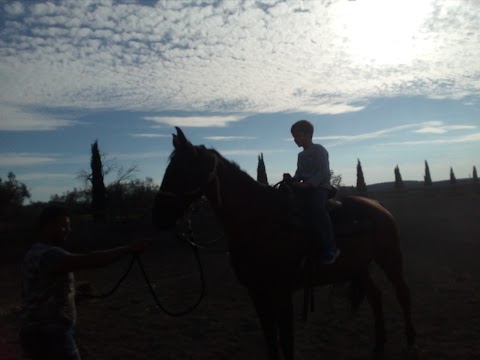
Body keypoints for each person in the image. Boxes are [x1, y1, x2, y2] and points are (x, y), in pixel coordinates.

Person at [20, 205, 148, 359]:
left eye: (69, 225)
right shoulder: (48, 254)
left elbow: (43, 290)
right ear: (48, 226)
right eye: (64, 226)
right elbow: (90, 260)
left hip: (42, 332)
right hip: (50, 335)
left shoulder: (36, 252)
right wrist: (128, 249)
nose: (69, 230)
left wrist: (73, 294)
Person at [283, 119, 340, 265]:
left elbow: (323, 172)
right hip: (304, 188)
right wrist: (292, 179)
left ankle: (331, 247)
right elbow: (300, 173)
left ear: (308, 134)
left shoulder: (319, 150)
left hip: (320, 188)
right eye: (294, 136)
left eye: (297, 135)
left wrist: (308, 184)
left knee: (317, 210)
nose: (295, 139)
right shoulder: (301, 156)